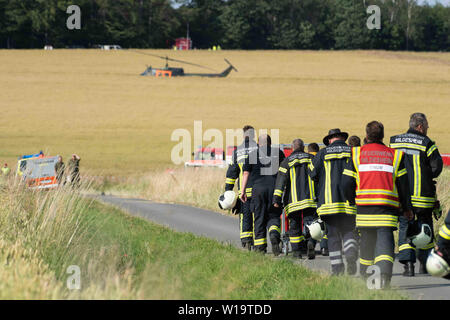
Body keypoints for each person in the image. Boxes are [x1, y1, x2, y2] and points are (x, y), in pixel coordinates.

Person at [343, 121, 413, 289]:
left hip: (364, 210)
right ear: (382, 136)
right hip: (387, 210)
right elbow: (404, 185)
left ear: (366, 136)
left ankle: (366, 279)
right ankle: (383, 279)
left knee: (366, 243)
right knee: (385, 245)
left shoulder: (356, 154)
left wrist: (351, 200)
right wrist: (407, 208)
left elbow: (345, 183)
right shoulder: (396, 155)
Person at [390, 113, 443, 276]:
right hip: (423, 197)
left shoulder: (394, 141)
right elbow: (437, 167)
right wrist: (426, 176)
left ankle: (408, 266)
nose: (428, 128)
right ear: (420, 126)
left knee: (405, 227)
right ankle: (424, 265)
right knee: (425, 228)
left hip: (401, 196)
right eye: (426, 125)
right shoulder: (427, 143)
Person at [308, 129, 357, 275]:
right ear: (342, 138)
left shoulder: (322, 153)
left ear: (330, 140)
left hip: (328, 204)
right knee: (349, 231)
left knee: (333, 236)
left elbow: (311, 173)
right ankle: (350, 253)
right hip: (349, 202)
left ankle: (337, 271)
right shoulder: (353, 151)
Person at [241, 134, 285, 255]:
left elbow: (245, 174)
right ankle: (274, 234)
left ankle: (260, 247)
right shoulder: (279, 153)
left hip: (258, 190)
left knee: (259, 217)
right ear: (270, 143)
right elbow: (284, 171)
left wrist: (243, 191)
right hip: (274, 189)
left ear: (258, 143)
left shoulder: (252, 154)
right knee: (274, 215)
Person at [273, 139, 317, 259]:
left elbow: (280, 182)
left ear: (292, 148)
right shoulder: (311, 158)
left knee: (294, 226)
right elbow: (318, 176)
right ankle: (310, 242)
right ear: (303, 147)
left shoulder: (286, 162)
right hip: (310, 199)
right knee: (311, 223)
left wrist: (276, 199)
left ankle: (297, 252)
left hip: (293, 202)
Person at [224, 125, 258, 250]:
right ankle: (259, 241)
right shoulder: (259, 149)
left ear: (243, 136)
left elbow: (232, 173)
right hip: (257, 189)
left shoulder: (237, 151)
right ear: (254, 135)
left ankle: (246, 241)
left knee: (245, 215)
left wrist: (228, 191)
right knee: (258, 215)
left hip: (243, 190)